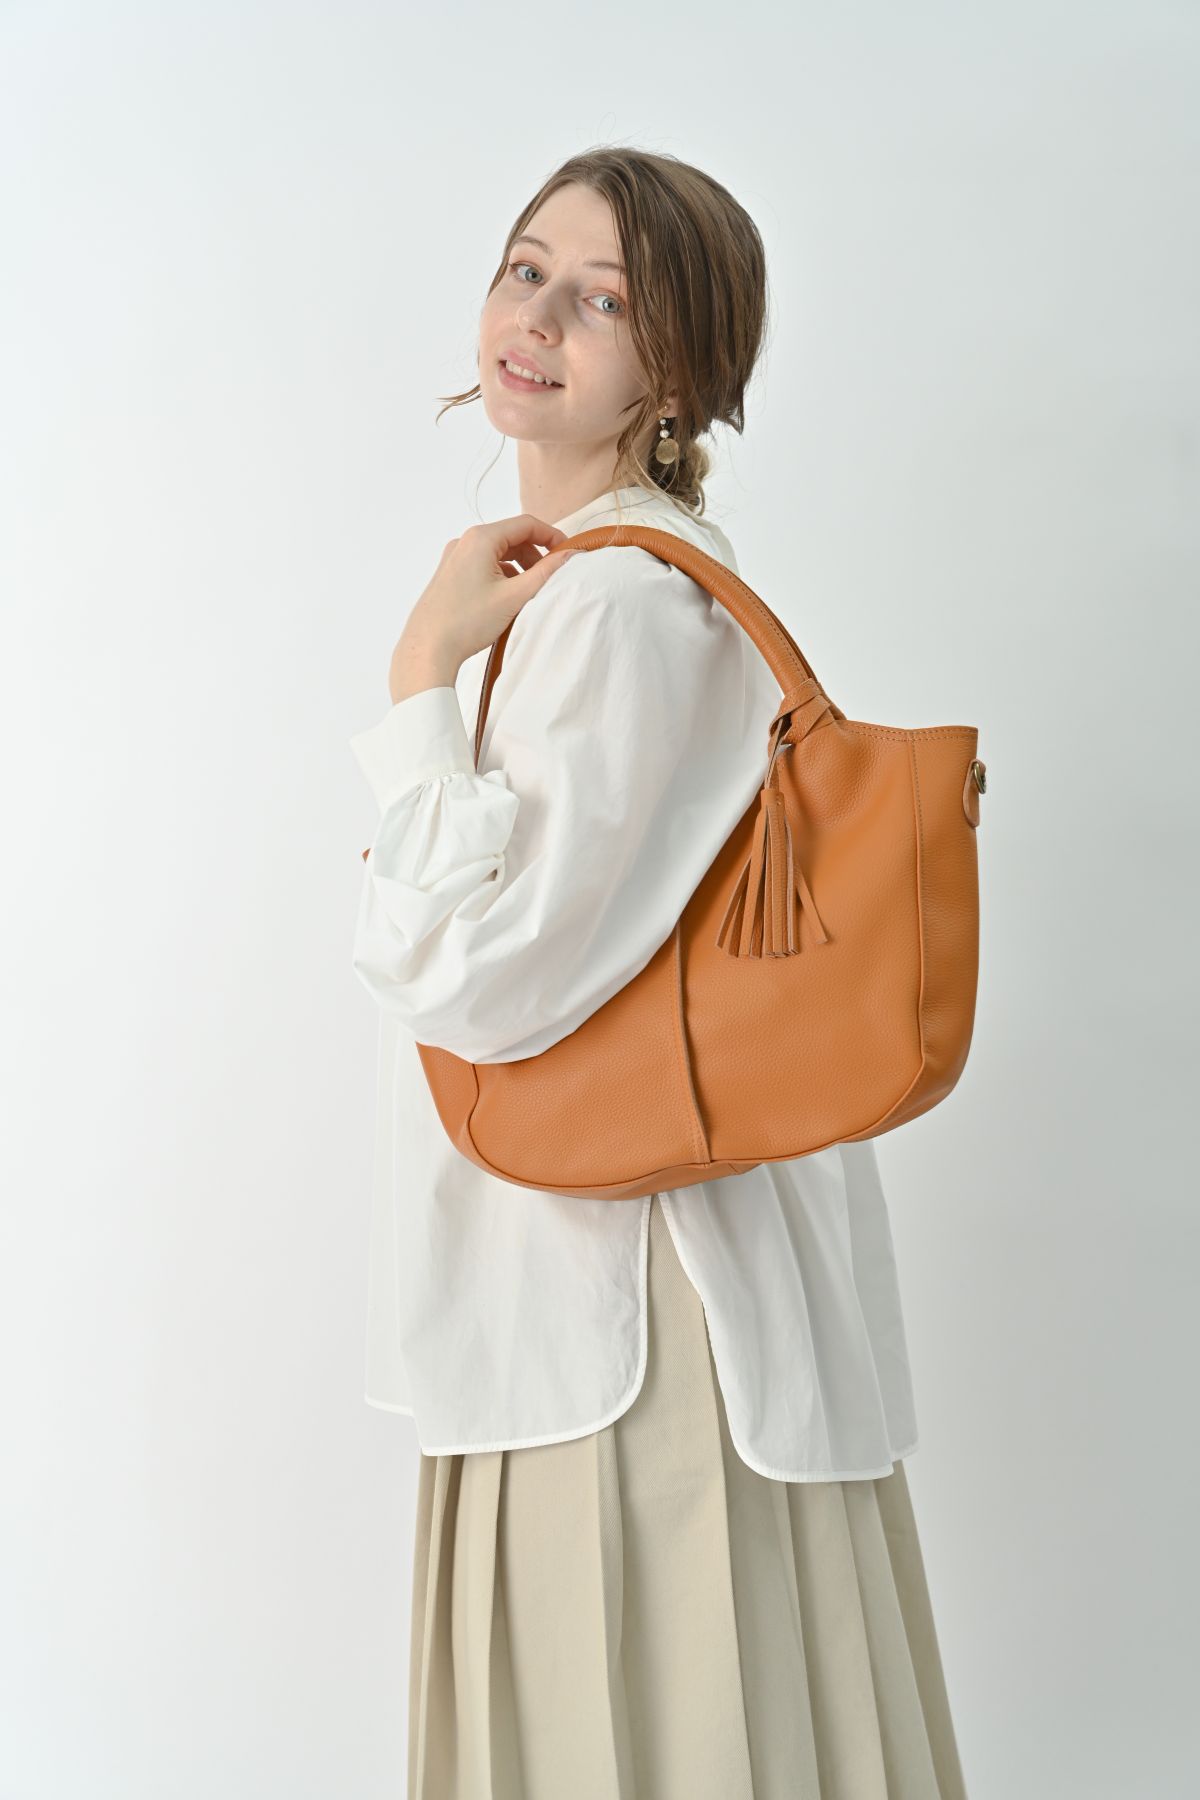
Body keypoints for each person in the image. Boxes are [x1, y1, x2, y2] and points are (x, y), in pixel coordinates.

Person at [348, 147, 970, 1800]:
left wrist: (418, 679)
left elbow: (472, 977)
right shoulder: (588, 584)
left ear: (678, 372)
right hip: (618, 1297)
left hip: (623, 1320)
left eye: (604, 299)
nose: (540, 316)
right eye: (525, 268)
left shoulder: (620, 604)